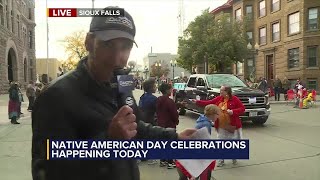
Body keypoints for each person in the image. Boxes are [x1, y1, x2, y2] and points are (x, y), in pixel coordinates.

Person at [31, 7, 196, 180]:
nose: (118, 57)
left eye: (126, 47)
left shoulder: (121, 83)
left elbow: (135, 127)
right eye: (108, 45)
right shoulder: (55, 97)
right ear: (88, 42)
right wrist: (108, 141)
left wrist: (174, 137)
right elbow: (48, 171)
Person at [193, 86, 245, 167]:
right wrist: (197, 102)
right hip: (221, 125)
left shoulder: (234, 99)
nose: (220, 91)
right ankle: (221, 160)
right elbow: (209, 103)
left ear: (227, 91)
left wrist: (233, 111)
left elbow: (242, 108)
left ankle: (234, 157)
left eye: (222, 90)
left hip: (232, 126)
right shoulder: (219, 98)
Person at [176, 104, 219, 180]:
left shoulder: (203, 119)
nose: (218, 116)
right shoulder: (205, 124)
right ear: (212, 114)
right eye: (217, 114)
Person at [156, 83, 179, 169]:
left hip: (160, 124)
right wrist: (176, 121)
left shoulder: (158, 99)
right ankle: (170, 162)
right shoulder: (170, 101)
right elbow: (174, 114)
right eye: (170, 89)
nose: (171, 90)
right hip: (169, 125)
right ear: (166, 90)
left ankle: (162, 160)